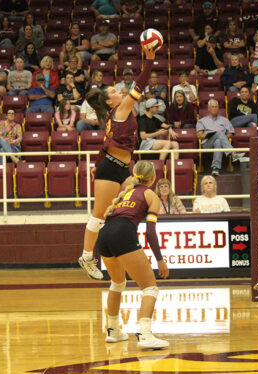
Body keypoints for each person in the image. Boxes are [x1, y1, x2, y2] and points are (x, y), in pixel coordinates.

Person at [78, 43, 157, 280]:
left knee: (123, 211)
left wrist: (95, 164)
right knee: (99, 215)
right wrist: (150, 60)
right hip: (111, 168)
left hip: (122, 168)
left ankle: (120, 250)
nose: (119, 91)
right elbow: (140, 85)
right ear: (110, 101)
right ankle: (86, 256)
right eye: (114, 91)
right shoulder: (122, 109)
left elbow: (106, 143)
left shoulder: (118, 113)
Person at [96, 160, 170, 349]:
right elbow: (150, 232)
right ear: (153, 178)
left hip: (104, 234)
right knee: (150, 288)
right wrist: (160, 260)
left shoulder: (124, 192)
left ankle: (113, 331)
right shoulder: (150, 195)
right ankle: (145, 334)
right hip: (122, 232)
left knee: (117, 283)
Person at [197, 99, 235, 176]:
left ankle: (215, 168)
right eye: (213, 107)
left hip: (220, 143)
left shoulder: (224, 120)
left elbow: (231, 132)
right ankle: (231, 152)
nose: (215, 108)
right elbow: (199, 135)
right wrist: (210, 135)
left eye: (216, 107)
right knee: (218, 133)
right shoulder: (202, 121)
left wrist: (222, 137)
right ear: (208, 108)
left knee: (218, 141)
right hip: (207, 143)